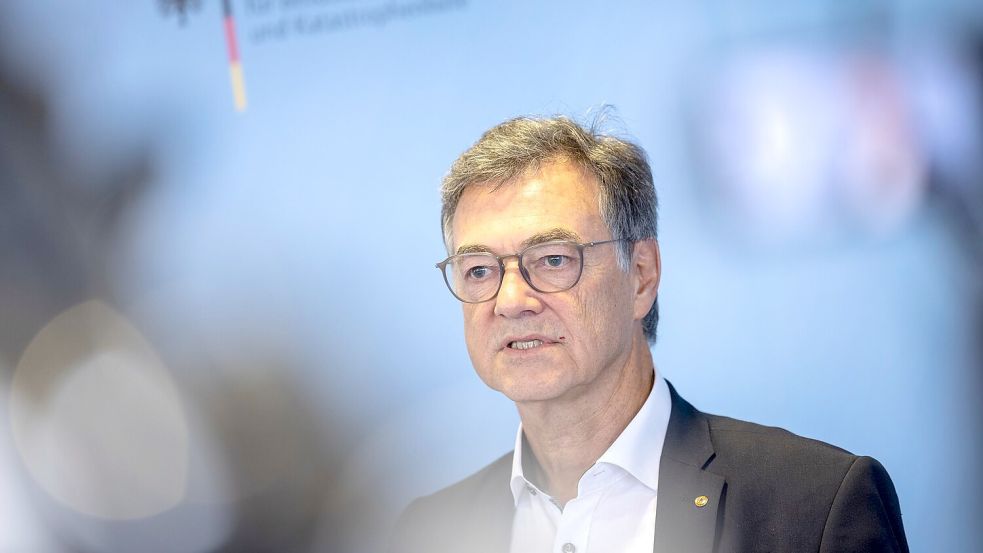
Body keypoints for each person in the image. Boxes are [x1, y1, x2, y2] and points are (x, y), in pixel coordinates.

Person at [392, 114, 909, 553]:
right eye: (479, 269)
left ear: (641, 275)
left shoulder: (814, 504)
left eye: (552, 260)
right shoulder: (428, 532)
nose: (510, 301)